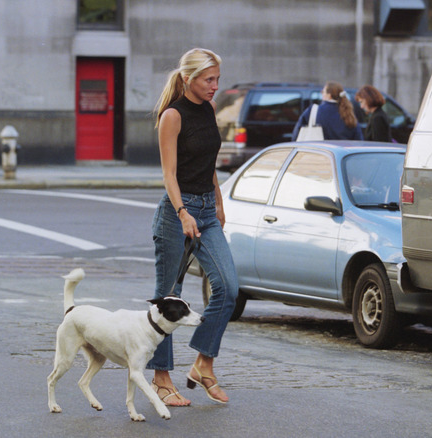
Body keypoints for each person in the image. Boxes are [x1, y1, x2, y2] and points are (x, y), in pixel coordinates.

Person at [148, 47, 238, 406]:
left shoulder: (209, 109)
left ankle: (203, 363)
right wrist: (183, 212)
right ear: (189, 78)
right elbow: (168, 174)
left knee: (228, 287)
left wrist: (218, 202)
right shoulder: (172, 116)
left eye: (217, 78)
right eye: (209, 79)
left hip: (206, 210)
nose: (215, 86)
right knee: (168, 295)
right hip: (176, 212)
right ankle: (160, 378)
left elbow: (208, 162)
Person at [292, 81, 361, 141]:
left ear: (329, 95)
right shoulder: (348, 113)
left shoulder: (313, 111)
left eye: (323, 92)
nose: (322, 94)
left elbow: (296, 134)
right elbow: (358, 139)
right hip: (342, 151)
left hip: (320, 150)